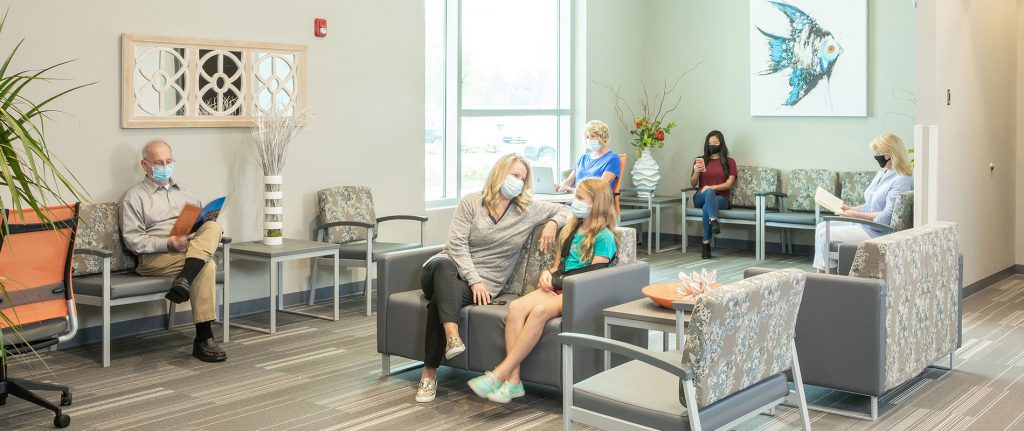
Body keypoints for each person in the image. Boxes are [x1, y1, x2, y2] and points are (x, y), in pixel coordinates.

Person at [415, 153, 573, 403]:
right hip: (444, 270)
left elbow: (566, 209)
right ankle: (452, 336)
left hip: (484, 286)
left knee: (440, 302)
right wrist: (474, 279)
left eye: (522, 178)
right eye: (514, 175)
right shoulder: (471, 202)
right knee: (445, 269)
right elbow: (456, 245)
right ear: (499, 174)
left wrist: (553, 223)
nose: (518, 182)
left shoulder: (527, 209)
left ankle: (429, 373)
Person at [465, 178, 618, 403]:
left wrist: (558, 281)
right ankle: (514, 382)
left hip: (576, 293)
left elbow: (596, 276)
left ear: (596, 203)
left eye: (580, 199)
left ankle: (499, 373)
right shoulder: (571, 230)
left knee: (538, 312)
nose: (575, 202)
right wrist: (548, 274)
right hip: (558, 286)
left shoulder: (604, 237)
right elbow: (558, 266)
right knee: (516, 308)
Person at [120, 139, 226, 363]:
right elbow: (132, 240)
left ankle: (184, 280)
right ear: (145, 165)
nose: (164, 166)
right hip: (155, 258)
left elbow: (199, 226)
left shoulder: (186, 193)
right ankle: (203, 338)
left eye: (168, 161)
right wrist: (167, 244)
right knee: (207, 265)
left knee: (213, 226)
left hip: (188, 250)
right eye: (159, 162)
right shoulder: (134, 197)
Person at [813, 132, 913, 273]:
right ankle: (824, 275)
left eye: (877, 152)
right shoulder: (883, 172)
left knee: (824, 234)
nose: (875, 156)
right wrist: (851, 208)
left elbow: (886, 216)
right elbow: (869, 203)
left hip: (876, 230)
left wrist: (853, 215)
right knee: (821, 227)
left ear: (888, 154)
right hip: (863, 224)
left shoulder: (901, 179)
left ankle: (829, 277)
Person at [689, 130, 737, 259]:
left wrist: (711, 187)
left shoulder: (729, 162)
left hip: (721, 198)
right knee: (708, 194)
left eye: (715, 142)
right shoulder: (700, 160)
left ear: (721, 143)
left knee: (707, 206)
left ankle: (706, 243)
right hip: (701, 196)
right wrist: (696, 172)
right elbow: (693, 184)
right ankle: (714, 220)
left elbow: (728, 184)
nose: (712, 145)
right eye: (709, 143)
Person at [557, 120, 621, 193]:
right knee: (544, 203)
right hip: (573, 200)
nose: (589, 140)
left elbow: (601, 187)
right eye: (587, 137)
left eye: (592, 136)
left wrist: (574, 190)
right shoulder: (583, 158)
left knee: (547, 204)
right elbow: (569, 182)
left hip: (593, 202)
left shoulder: (613, 159)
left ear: (602, 137)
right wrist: (559, 188)